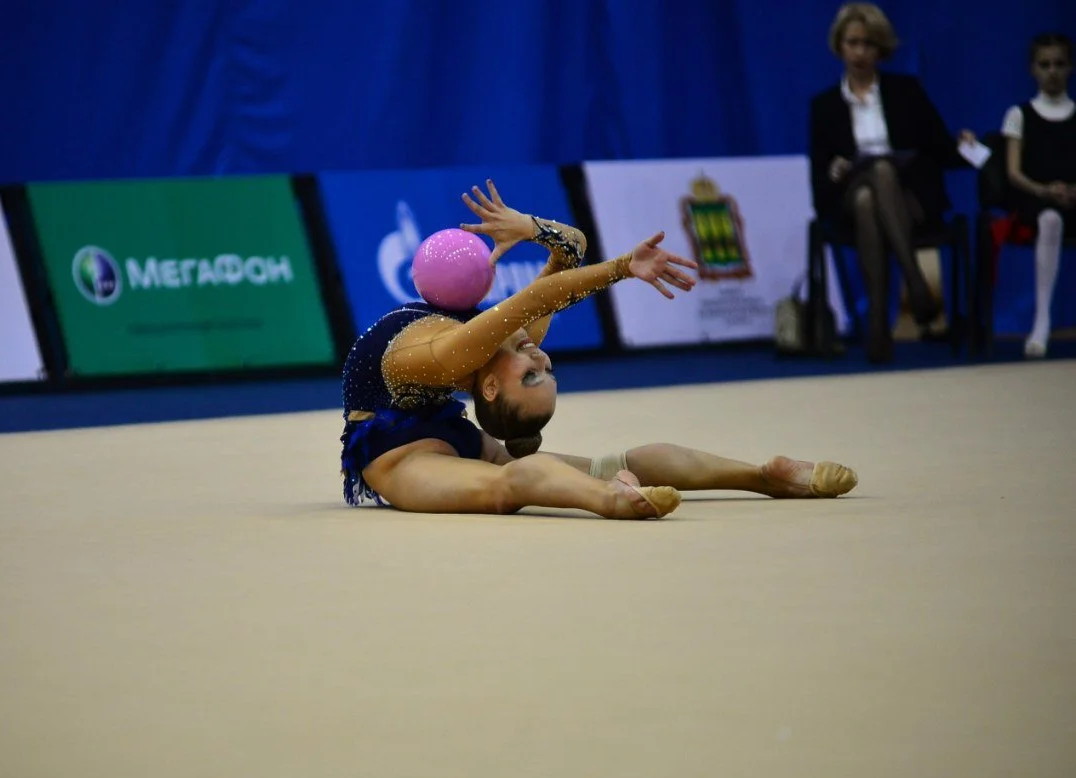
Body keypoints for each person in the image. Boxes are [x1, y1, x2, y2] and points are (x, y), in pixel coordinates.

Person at [338, 180, 859, 519]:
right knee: (540, 480)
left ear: (492, 384)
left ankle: (744, 480)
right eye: (548, 372)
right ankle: (642, 495)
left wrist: (604, 261)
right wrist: (559, 242)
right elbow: (567, 260)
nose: (542, 359)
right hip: (403, 449)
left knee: (544, 475)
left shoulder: (457, 356)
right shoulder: (488, 350)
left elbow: (555, 272)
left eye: (533, 376)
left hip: (408, 448)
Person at [809, 2, 975, 363]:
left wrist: (966, 148)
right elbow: (818, 183)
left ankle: (878, 331)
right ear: (840, 46)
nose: (859, 52)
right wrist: (834, 172)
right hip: (847, 201)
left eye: (868, 44)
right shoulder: (824, 106)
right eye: (852, 43)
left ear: (881, 49)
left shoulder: (905, 91)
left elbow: (938, 148)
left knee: (876, 188)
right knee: (869, 186)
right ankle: (915, 281)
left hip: (908, 198)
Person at [1000, 33, 1075, 360]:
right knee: (1049, 218)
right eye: (1045, 65)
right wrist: (1045, 190)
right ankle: (1042, 320)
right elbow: (1014, 172)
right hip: (1035, 199)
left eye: (1059, 64)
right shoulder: (1019, 115)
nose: (1052, 71)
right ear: (1033, 69)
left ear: (1070, 68)